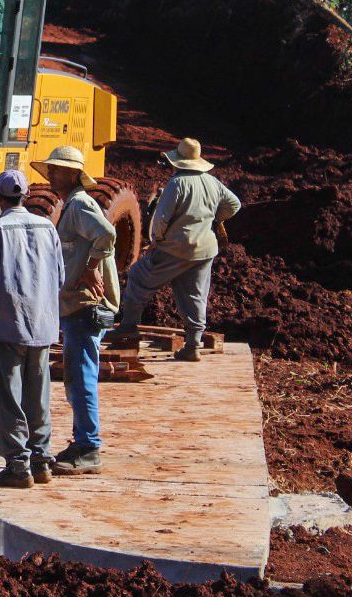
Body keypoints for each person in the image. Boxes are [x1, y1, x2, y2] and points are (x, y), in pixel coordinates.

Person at [112, 138, 241, 362]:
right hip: (205, 250)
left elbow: (161, 218)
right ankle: (192, 345)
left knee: (139, 277)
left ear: (178, 162)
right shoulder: (212, 182)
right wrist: (214, 219)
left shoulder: (177, 183)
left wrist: (156, 240)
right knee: (196, 295)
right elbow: (234, 204)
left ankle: (129, 327)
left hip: (175, 248)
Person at [0, 168, 65, 488]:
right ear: (26, 195)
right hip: (42, 323)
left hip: (7, 322)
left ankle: (17, 464)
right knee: (38, 394)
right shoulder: (47, 228)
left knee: (7, 395)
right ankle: (41, 460)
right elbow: (60, 276)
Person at [31, 146, 116, 476]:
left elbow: (106, 235)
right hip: (80, 304)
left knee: (81, 377)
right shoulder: (74, 204)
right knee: (80, 375)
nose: (50, 174)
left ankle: (88, 447)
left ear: (72, 174)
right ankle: (84, 441)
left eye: (56, 170)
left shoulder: (80, 204)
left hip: (85, 305)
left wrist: (91, 267)